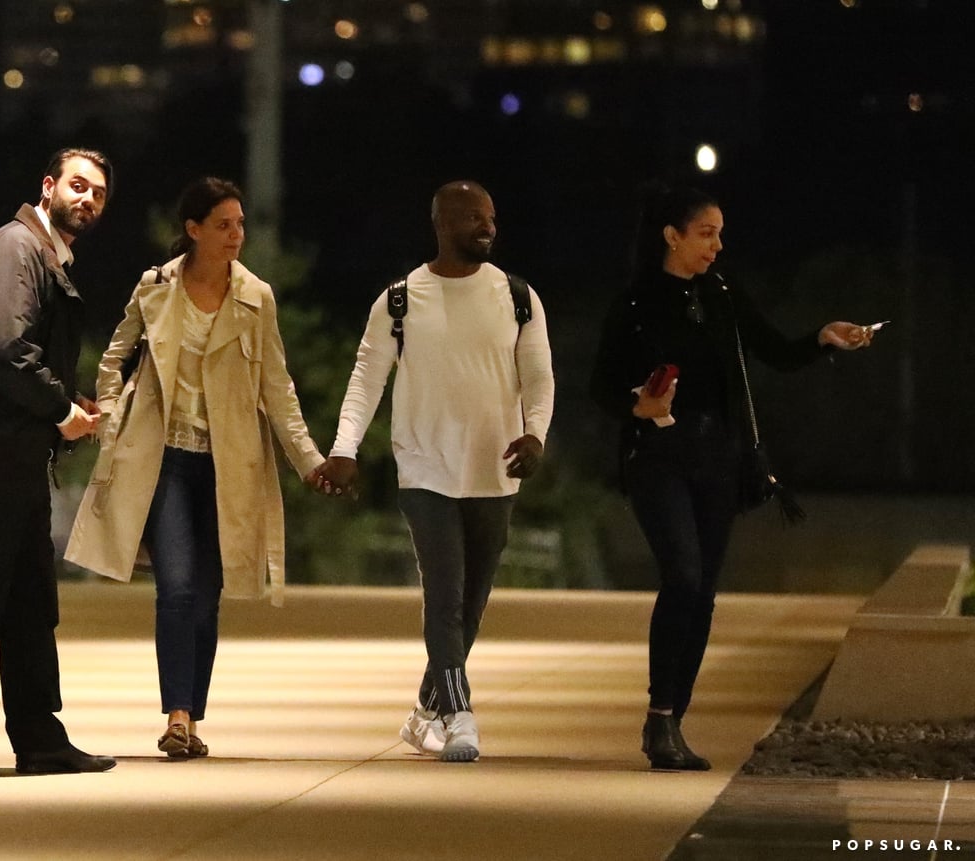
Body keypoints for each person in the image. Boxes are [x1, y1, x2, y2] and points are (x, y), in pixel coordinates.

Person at [590, 184, 877, 771]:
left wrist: (824, 338)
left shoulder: (721, 293)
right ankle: (660, 715)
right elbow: (602, 385)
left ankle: (670, 721)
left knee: (704, 593)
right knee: (684, 577)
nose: (717, 246)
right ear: (671, 236)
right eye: (706, 233)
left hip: (718, 456)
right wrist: (636, 405)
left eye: (720, 233)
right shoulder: (637, 302)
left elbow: (773, 350)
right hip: (659, 454)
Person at [65, 177, 325, 758]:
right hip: (165, 460)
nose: (237, 235)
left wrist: (309, 461)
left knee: (208, 591)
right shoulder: (155, 287)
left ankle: (191, 715)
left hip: (229, 465)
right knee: (178, 586)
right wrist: (110, 424)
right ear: (194, 230)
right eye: (224, 225)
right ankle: (177, 716)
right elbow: (115, 358)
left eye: (240, 225)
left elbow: (277, 388)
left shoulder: (256, 298)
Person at [312, 180, 554, 762]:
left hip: (495, 470)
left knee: (472, 601)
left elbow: (539, 378)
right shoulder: (399, 300)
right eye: (475, 218)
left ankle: (425, 712)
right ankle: (460, 714)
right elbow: (366, 379)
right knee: (444, 595)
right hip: (425, 468)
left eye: (492, 217)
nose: (488, 227)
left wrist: (536, 434)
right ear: (443, 223)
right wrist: (344, 448)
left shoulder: (518, 296)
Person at [0, 148, 117, 776]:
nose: (88, 199)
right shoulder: (16, 249)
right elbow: (2, 346)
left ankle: (40, 737)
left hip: (9, 457)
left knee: (26, 601)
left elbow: (14, 349)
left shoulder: (41, 255)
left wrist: (62, 404)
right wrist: (59, 409)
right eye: (78, 186)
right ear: (48, 187)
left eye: (98, 193)